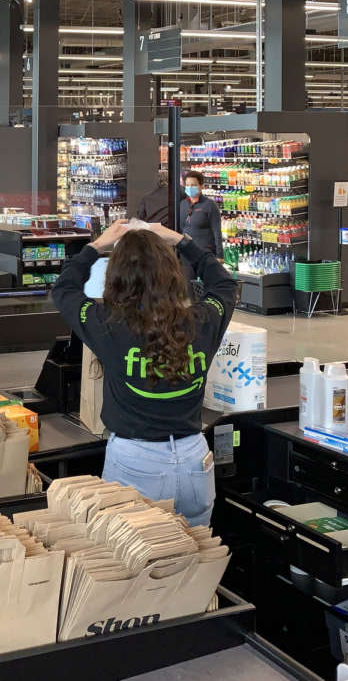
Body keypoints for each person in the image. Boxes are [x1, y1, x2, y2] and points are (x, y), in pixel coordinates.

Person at [49, 220, 236, 526]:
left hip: (135, 460)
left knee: (134, 565)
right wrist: (180, 240)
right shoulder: (203, 320)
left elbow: (64, 288)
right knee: (195, 564)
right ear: (173, 275)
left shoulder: (106, 325)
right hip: (194, 459)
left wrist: (96, 247)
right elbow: (224, 284)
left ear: (117, 278)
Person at [180, 171, 223, 260]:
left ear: (201, 186)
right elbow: (181, 229)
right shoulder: (182, 204)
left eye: (193, 185)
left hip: (204, 254)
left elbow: (217, 231)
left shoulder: (209, 205)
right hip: (186, 252)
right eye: (187, 185)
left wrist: (219, 255)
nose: (190, 188)